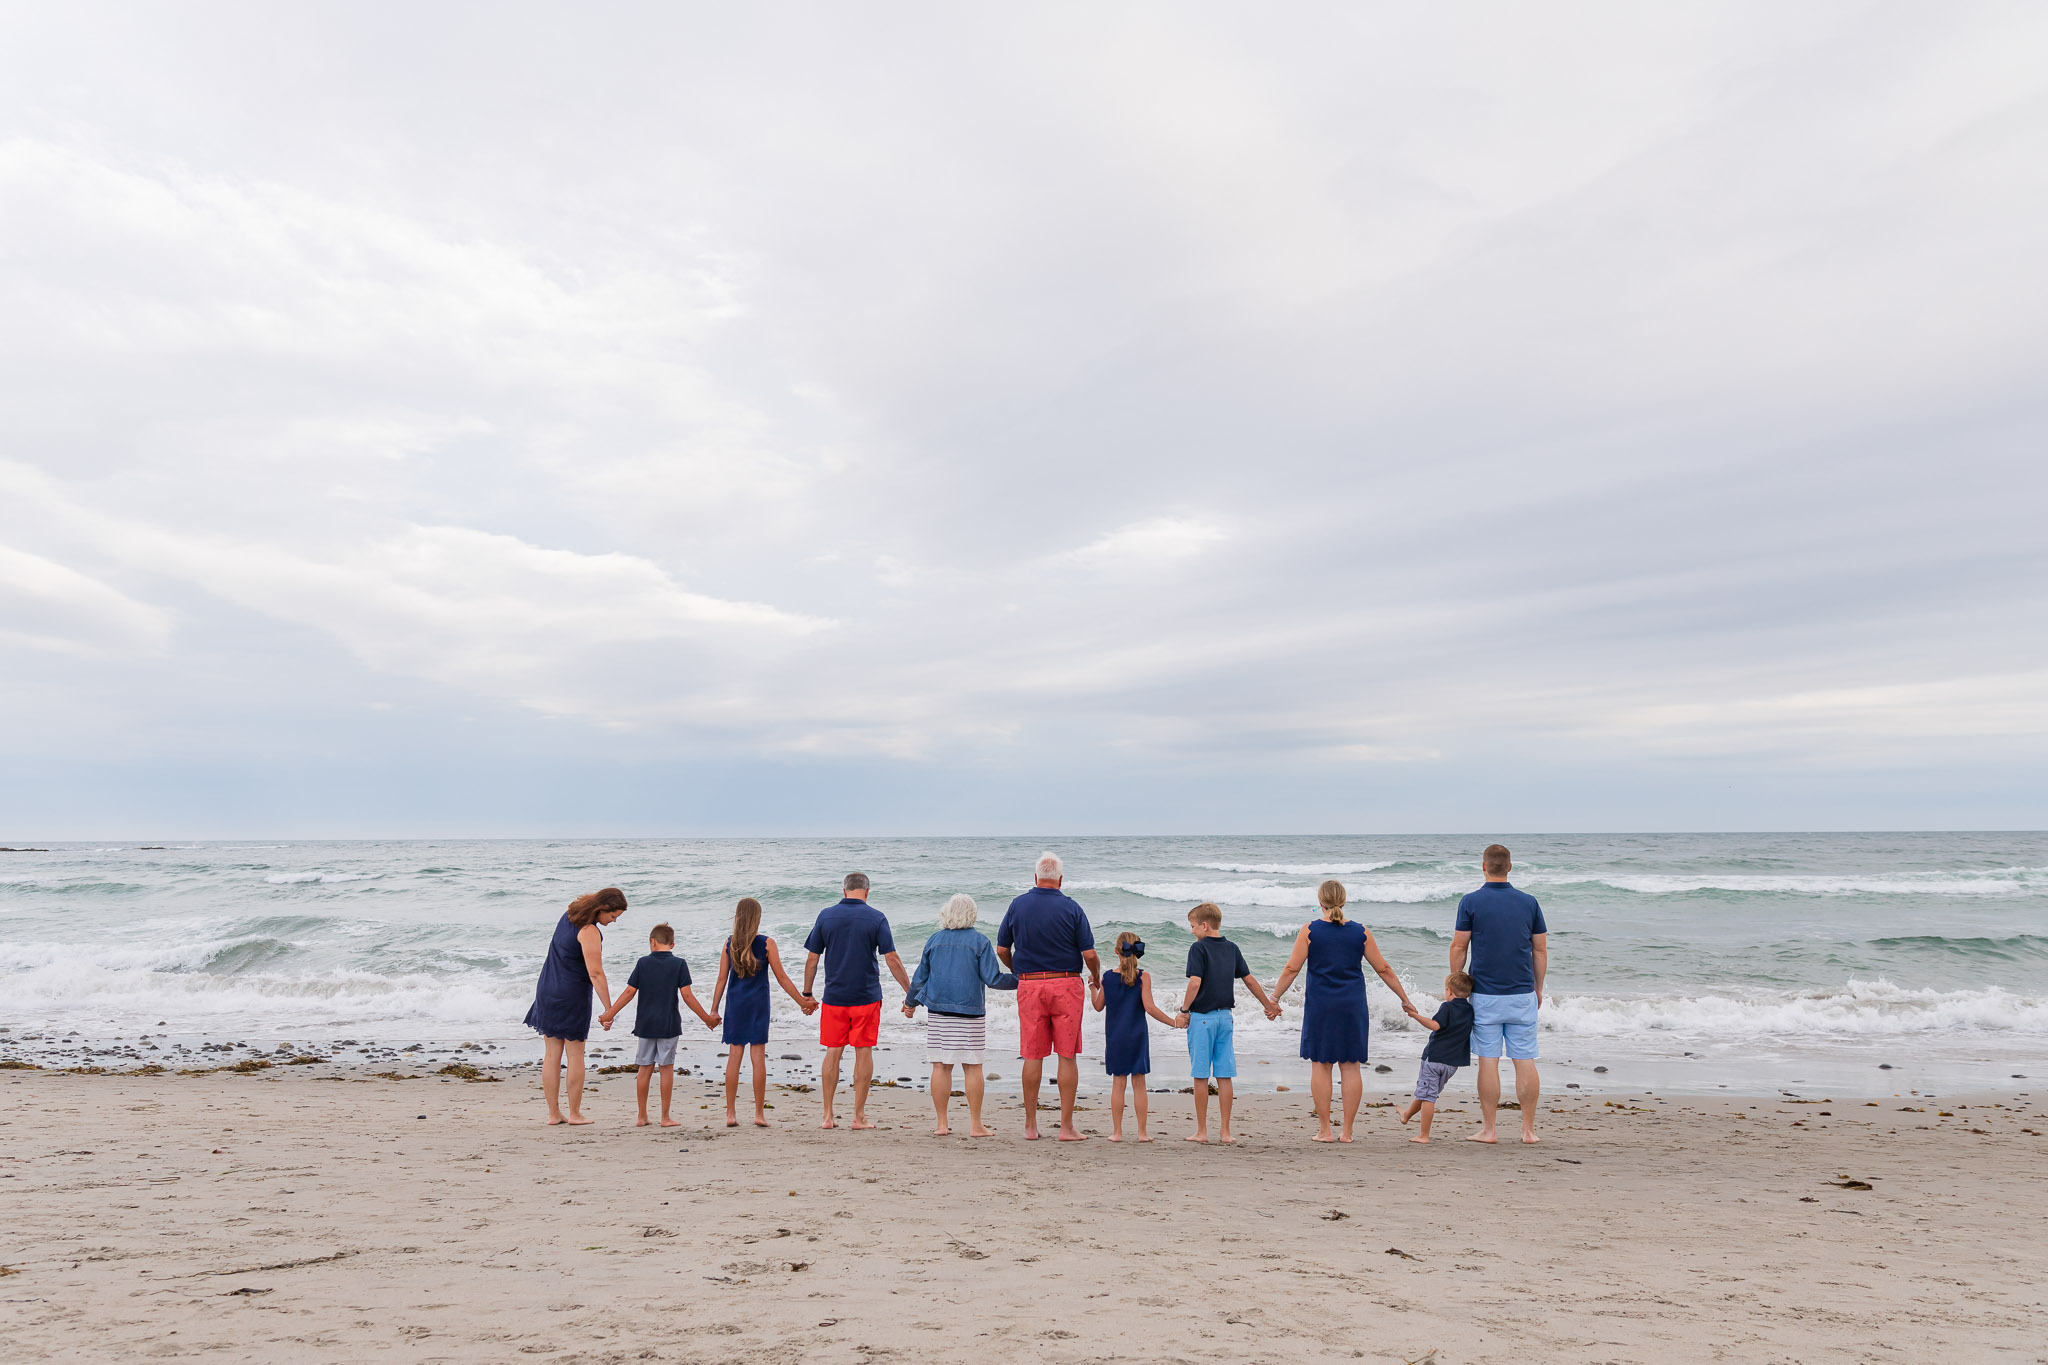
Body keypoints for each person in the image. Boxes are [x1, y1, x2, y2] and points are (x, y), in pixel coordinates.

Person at [1270, 878, 1423, 1143]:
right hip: (1352, 1006)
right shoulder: (1361, 932)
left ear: (1320, 903)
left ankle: (1325, 1130)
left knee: (1321, 1065)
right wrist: (1405, 998)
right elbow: (1384, 969)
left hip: (1321, 1006)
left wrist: (1273, 998)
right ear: (1344, 900)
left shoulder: (1309, 930)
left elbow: (1292, 969)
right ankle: (1348, 1132)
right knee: (1351, 1066)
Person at [995, 852, 1103, 1141]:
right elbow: (1089, 953)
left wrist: (1017, 970)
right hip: (1066, 984)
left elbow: (1002, 949)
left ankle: (1031, 1126)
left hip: (1031, 985)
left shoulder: (1018, 905)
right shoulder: (1071, 908)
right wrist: (1097, 975)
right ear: (1060, 879)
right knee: (1066, 1056)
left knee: (1032, 1054)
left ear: (1035, 877)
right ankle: (1066, 1127)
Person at [1450, 844, 1549, 1145]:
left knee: (1489, 1059)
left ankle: (1490, 1129)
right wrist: (1538, 988)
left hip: (1486, 995)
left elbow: (1459, 946)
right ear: (1510, 867)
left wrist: (1455, 986)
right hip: (1521, 993)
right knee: (1524, 1058)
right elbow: (1540, 949)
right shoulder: (1529, 902)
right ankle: (1528, 1130)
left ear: (1483, 867)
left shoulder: (1471, 902)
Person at [802, 872, 913, 1130]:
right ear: (867, 891)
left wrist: (807, 995)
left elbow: (812, 959)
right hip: (866, 997)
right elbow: (892, 959)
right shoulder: (876, 917)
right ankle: (858, 1116)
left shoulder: (826, 916)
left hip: (834, 997)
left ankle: (828, 1116)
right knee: (863, 1051)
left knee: (833, 1051)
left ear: (844, 891)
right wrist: (910, 992)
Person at [901, 893, 1016, 1137]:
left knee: (941, 1066)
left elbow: (920, 977)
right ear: (972, 915)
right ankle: (976, 1125)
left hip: (939, 1011)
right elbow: (993, 979)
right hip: (970, 1011)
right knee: (973, 1067)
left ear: (947, 913)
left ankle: (941, 1124)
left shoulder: (934, 940)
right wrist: (1021, 981)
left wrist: (910, 1003)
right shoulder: (980, 942)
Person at [1173, 901, 1282, 1145]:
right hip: (1225, 1018)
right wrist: (1268, 1004)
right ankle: (1225, 1132)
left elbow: (1194, 983)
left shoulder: (1198, 949)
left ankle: (1202, 1131)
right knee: (1224, 1075)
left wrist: (1184, 1010)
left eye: (1192, 926)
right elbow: (1250, 981)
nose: (1192, 931)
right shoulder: (1232, 948)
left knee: (1200, 1075)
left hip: (1202, 1019)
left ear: (1204, 925)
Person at [523, 887, 627, 1126]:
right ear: (602, 909)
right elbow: (596, 973)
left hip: (547, 988)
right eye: (612, 917)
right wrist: (609, 1008)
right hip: (571, 994)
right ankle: (575, 1113)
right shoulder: (589, 930)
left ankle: (553, 1114)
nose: (613, 922)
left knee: (551, 1054)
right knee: (575, 1054)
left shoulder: (569, 915)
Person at [599, 922, 719, 1128]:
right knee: (666, 1068)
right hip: (669, 1024)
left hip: (645, 1024)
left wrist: (609, 1014)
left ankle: (642, 1116)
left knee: (644, 1069)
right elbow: (687, 996)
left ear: (652, 942)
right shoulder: (679, 964)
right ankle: (665, 1117)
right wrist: (707, 1018)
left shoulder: (643, 963)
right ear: (672, 944)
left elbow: (629, 992)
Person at [710, 896, 813, 1129]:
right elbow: (782, 978)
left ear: (738, 917)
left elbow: (720, 980)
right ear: (757, 918)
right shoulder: (767, 943)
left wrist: (714, 1010)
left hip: (735, 1005)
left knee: (734, 1057)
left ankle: (730, 1114)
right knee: (758, 1058)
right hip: (758, 1005)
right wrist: (802, 1002)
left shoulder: (729, 943)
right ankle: (759, 1113)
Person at [1092, 931, 1183, 1142]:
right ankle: (1142, 1133)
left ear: (1116, 951)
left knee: (1118, 1083)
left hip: (1115, 1037)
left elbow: (1098, 1006)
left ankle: (1116, 1132)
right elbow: (1149, 1008)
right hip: (1137, 1035)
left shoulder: (1107, 977)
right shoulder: (1144, 977)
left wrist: (1092, 988)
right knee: (1139, 1083)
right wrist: (1173, 1022)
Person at [1399, 971, 1475, 1143]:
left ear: (1449, 991)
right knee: (1427, 1092)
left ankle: (1423, 1135)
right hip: (1453, 1063)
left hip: (1434, 1058)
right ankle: (1406, 1115)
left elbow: (1435, 1025)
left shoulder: (1447, 1007)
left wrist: (1415, 1015)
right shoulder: (1470, 1010)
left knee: (1428, 1097)